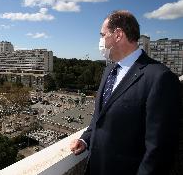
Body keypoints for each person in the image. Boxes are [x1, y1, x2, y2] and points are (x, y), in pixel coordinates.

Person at [70, 10, 182, 175]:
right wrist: (85, 139)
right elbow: (99, 117)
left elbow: (159, 149)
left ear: (118, 35)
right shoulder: (109, 70)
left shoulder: (160, 78)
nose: (100, 41)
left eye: (102, 35)